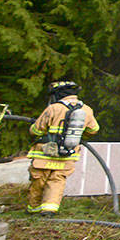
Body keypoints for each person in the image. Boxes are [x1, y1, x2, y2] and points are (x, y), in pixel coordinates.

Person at [26, 80, 99, 215]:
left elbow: (37, 130)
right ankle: (50, 209)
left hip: (45, 154)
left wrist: (33, 128)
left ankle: (33, 208)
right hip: (67, 155)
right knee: (57, 181)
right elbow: (94, 129)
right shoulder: (87, 110)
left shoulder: (54, 108)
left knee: (38, 180)